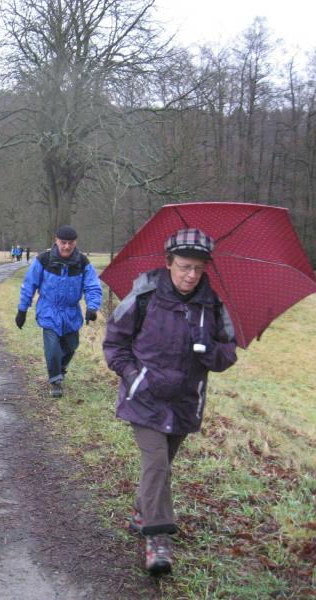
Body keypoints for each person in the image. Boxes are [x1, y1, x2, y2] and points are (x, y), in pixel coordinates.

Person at [102, 228, 237, 576]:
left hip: (184, 402)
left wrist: (209, 351)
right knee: (157, 463)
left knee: (160, 466)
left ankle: (141, 512)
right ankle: (158, 538)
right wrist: (135, 377)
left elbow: (228, 353)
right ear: (168, 262)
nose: (191, 275)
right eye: (184, 266)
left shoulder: (212, 305)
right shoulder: (144, 295)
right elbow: (114, 343)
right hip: (145, 398)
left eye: (198, 268)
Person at [15, 226, 101, 397]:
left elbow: (92, 286)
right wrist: (22, 310)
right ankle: (55, 381)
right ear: (56, 241)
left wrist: (92, 307)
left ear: (75, 242)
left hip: (71, 312)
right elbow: (29, 284)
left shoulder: (82, 262)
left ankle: (60, 368)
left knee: (71, 346)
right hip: (49, 310)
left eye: (70, 243)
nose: (67, 246)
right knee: (53, 348)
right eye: (63, 242)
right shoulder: (44, 259)